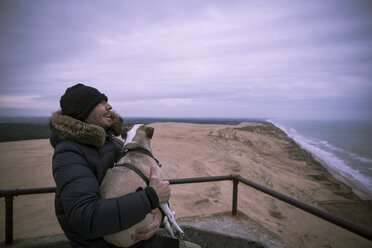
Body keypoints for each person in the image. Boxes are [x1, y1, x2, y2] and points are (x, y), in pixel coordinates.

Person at [49, 83, 200, 248]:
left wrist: (159, 216)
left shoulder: (114, 144)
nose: (109, 106)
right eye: (100, 103)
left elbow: (150, 186)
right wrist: (151, 199)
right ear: (83, 111)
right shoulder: (69, 153)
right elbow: (86, 217)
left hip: (137, 239)